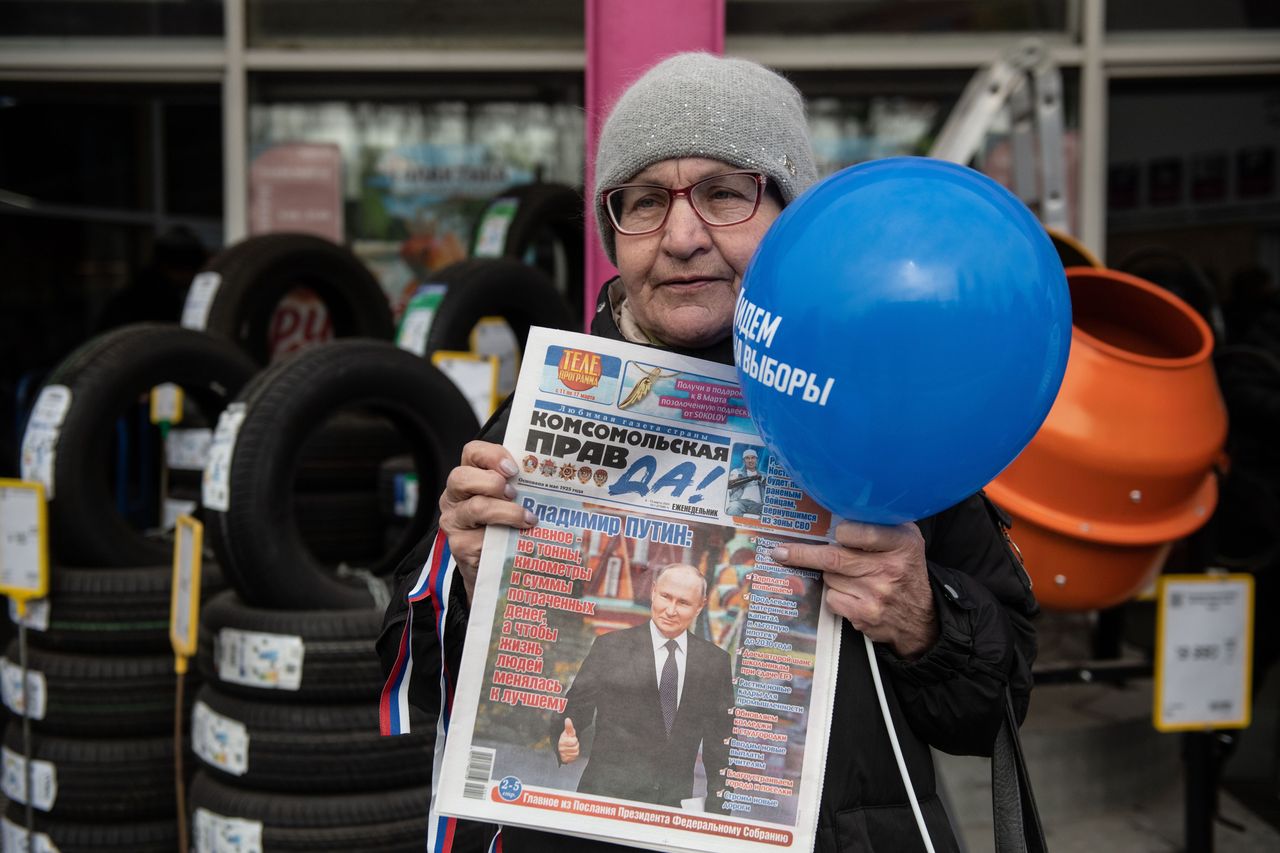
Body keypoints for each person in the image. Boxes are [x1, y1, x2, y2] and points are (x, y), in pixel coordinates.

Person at [379, 51, 1038, 852]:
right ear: (613, 230)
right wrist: (472, 587)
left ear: (794, 220)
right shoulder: (537, 422)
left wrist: (926, 617)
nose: (684, 236)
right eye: (646, 201)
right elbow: (411, 688)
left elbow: (995, 703)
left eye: (726, 193)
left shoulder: (886, 407)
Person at [552, 562, 733, 809]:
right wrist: (563, 741)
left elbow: (721, 744)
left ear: (700, 606)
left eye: (683, 603)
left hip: (669, 807)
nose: (670, 610)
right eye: (665, 597)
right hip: (604, 800)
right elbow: (573, 711)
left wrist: (719, 810)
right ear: (653, 591)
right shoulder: (610, 647)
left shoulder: (716, 662)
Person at [725, 447, 764, 517]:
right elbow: (729, 484)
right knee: (733, 509)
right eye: (747, 458)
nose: (750, 460)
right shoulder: (737, 472)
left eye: (753, 458)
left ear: (757, 460)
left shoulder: (764, 475)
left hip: (758, 505)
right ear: (743, 461)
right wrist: (753, 478)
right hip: (740, 502)